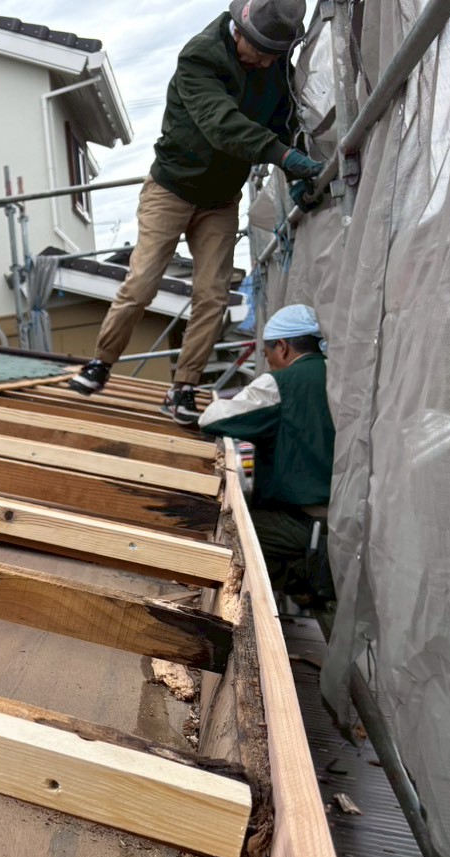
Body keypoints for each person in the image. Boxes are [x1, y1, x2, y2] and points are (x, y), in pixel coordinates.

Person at [68, 0, 324, 424]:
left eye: (273, 55)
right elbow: (221, 122)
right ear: (237, 30)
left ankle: (183, 388)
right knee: (142, 282)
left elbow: (282, 118)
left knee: (213, 294)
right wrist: (283, 157)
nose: (263, 61)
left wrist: (295, 163)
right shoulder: (199, 55)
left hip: (221, 199)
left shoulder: (273, 63)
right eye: (258, 51)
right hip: (171, 189)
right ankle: (101, 363)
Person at [198, 304, 335, 602]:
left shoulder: (281, 383)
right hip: (346, 522)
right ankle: (301, 590)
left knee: (225, 527)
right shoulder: (340, 375)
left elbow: (212, 419)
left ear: (282, 347)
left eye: (267, 352)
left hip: (307, 525)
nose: (268, 360)